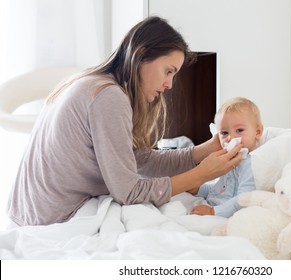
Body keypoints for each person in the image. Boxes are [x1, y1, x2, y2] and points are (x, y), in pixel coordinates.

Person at [7, 16, 243, 226]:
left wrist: (202, 152)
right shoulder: (109, 97)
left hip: (28, 213)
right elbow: (129, 192)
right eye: (168, 71)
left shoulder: (93, 82)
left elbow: (138, 160)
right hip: (50, 220)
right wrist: (201, 174)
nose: (170, 84)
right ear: (141, 55)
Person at [191, 97, 263, 218]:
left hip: (225, 215)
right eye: (224, 133)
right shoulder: (227, 160)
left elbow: (243, 200)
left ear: (258, 132)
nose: (230, 138)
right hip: (211, 205)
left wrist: (213, 211)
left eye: (239, 130)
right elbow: (218, 189)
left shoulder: (251, 164)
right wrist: (198, 189)